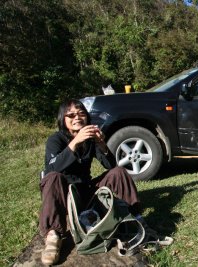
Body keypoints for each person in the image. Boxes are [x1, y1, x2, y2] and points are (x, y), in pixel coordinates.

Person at [39, 99, 148, 265]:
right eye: (71, 115)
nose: (77, 118)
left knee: (118, 172)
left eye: (81, 114)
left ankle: (137, 218)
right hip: (65, 194)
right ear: (63, 119)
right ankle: (53, 235)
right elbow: (53, 168)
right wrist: (75, 142)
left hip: (87, 190)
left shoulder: (90, 138)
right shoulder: (56, 139)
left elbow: (110, 165)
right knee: (53, 177)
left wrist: (101, 143)